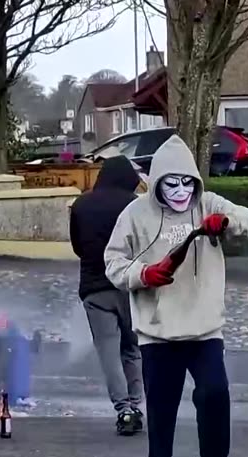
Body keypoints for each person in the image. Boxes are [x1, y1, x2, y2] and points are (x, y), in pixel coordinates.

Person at [104, 135, 248, 457]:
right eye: (170, 183)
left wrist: (228, 222)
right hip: (157, 332)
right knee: (161, 406)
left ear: (195, 181)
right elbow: (113, 262)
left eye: (186, 182)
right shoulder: (135, 214)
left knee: (214, 395)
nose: (179, 191)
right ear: (157, 182)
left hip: (205, 328)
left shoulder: (208, 203)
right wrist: (143, 274)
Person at [72, 156, 145, 436]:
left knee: (108, 352)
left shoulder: (82, 204)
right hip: (130, 286)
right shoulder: (136, 205)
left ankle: (123, 409)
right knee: (132, 348)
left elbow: (78, 246)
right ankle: (137, 404)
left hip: (95, 289)